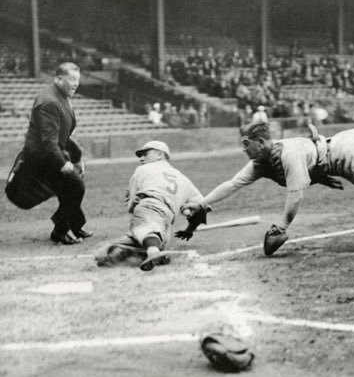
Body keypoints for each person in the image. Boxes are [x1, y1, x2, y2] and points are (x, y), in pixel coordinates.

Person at [183, 122, 354, 256]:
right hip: (344, 141)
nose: (243, 148)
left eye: (246, 143)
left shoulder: (288, 154)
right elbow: (232, 184)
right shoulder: (261, 162)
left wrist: (281, 226)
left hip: (346, 154)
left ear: (260, 142)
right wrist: (202, 203)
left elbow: (296, 194)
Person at [5, 62, 92, 245]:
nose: (76, 84)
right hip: (41, 158)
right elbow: (48, 141)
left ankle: (75, 226)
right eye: (71, 79)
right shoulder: (50, 102)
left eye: (77, 80)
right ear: (59, 79)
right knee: (76, 187)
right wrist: (63, 163)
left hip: (48, 153)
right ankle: (60, 231)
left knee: (68, 188)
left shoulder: (61, 96)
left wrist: (76, 154)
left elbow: (62, 134)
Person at [95, 140, 209, 271]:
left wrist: (134, 208)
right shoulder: (183, 178)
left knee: (146, 230)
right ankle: (148, 251)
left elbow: (131, 206)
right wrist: (190, 229)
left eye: (145, 154)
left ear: (160, 154)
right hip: (165, 222)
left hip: (149, 207)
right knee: (107, 250)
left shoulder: (143, 169)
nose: (141, 158)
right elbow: (202, 207)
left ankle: (153, 251)